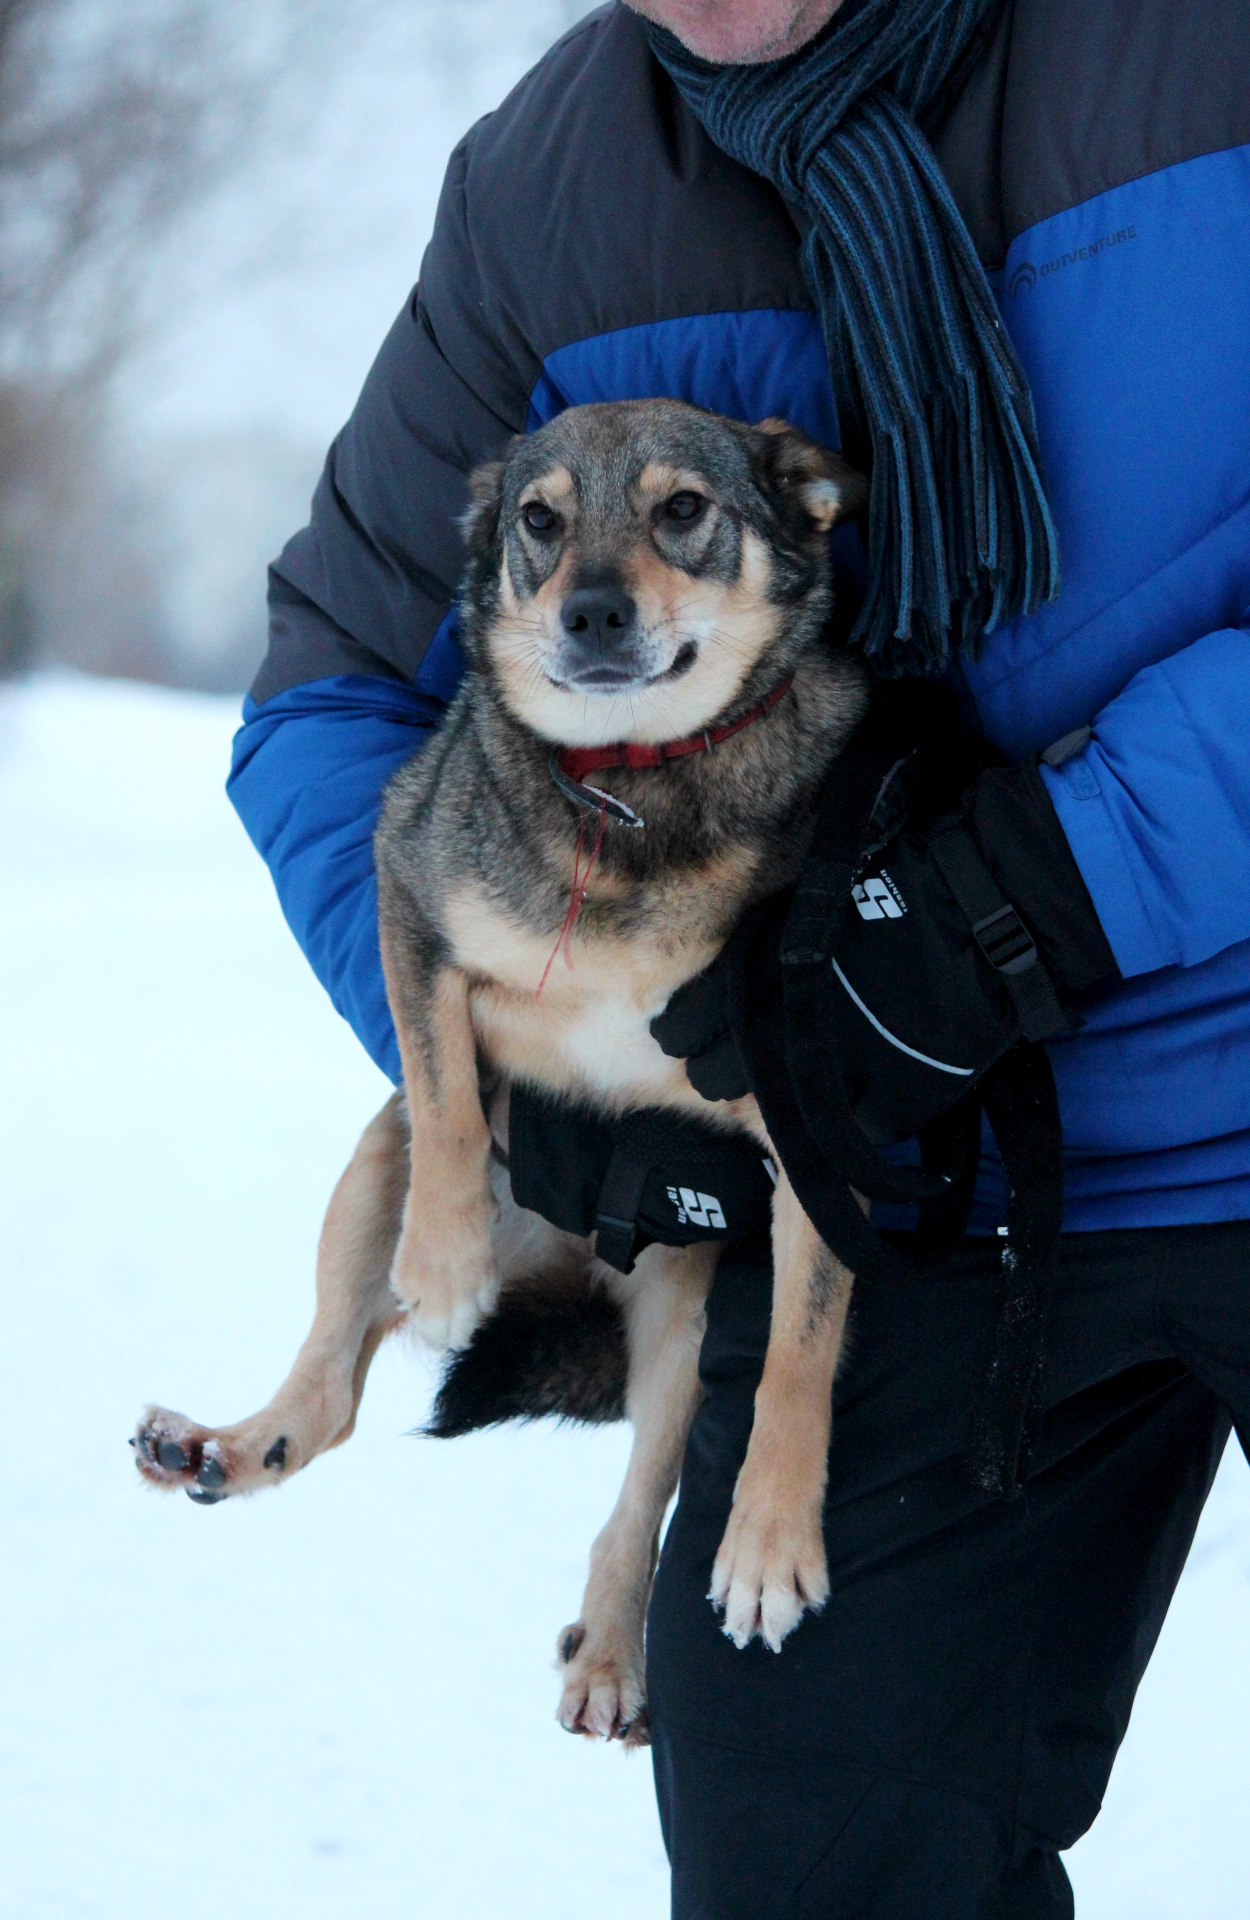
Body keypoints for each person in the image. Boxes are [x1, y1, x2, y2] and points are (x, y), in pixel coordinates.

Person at [227, 0, 1250, 1911]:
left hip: (1142, 1019)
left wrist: (1045, 885)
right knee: (810, 1850)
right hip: (907, 1177)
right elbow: (337, 695)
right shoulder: (550, 185)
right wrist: (524, 1070)